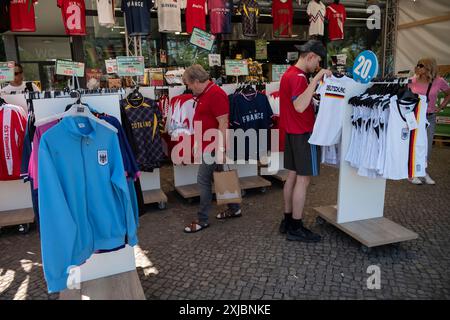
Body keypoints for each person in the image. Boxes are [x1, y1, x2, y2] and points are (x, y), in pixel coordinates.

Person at [278, 40, 332, 242]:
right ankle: (296, 226)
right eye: (317, 60)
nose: (317, 64)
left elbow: (296, 104)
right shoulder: (300, 77)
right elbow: (300, 106)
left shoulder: (289, 74)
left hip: (293, 133)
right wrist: (317, 78)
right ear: (310, 56)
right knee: (303, 180)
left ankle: (288, 221)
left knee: (292, 177)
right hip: (303, 134)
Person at [182, 65, 241, 233]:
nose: (189, 88)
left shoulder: (215, 94)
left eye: (189, 84)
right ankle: (234, 208)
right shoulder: (205, 93)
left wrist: (221, 149)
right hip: (209, 144)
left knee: (203, 180)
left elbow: (223, 122)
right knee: (219, 176)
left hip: (213, 146)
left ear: (195, 81)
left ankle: (202, 219)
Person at [408, 57, 450, 185]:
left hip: (430, 116)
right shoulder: (412, 80)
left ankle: (423, 171)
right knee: (414, 144)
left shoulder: (439, 81)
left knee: (427, 146)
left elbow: (449, 93)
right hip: (415, 117)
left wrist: (441, 107)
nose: (419, 68)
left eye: (422, 65)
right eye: (418, 65)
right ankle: (412, 173)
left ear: (429, 67)